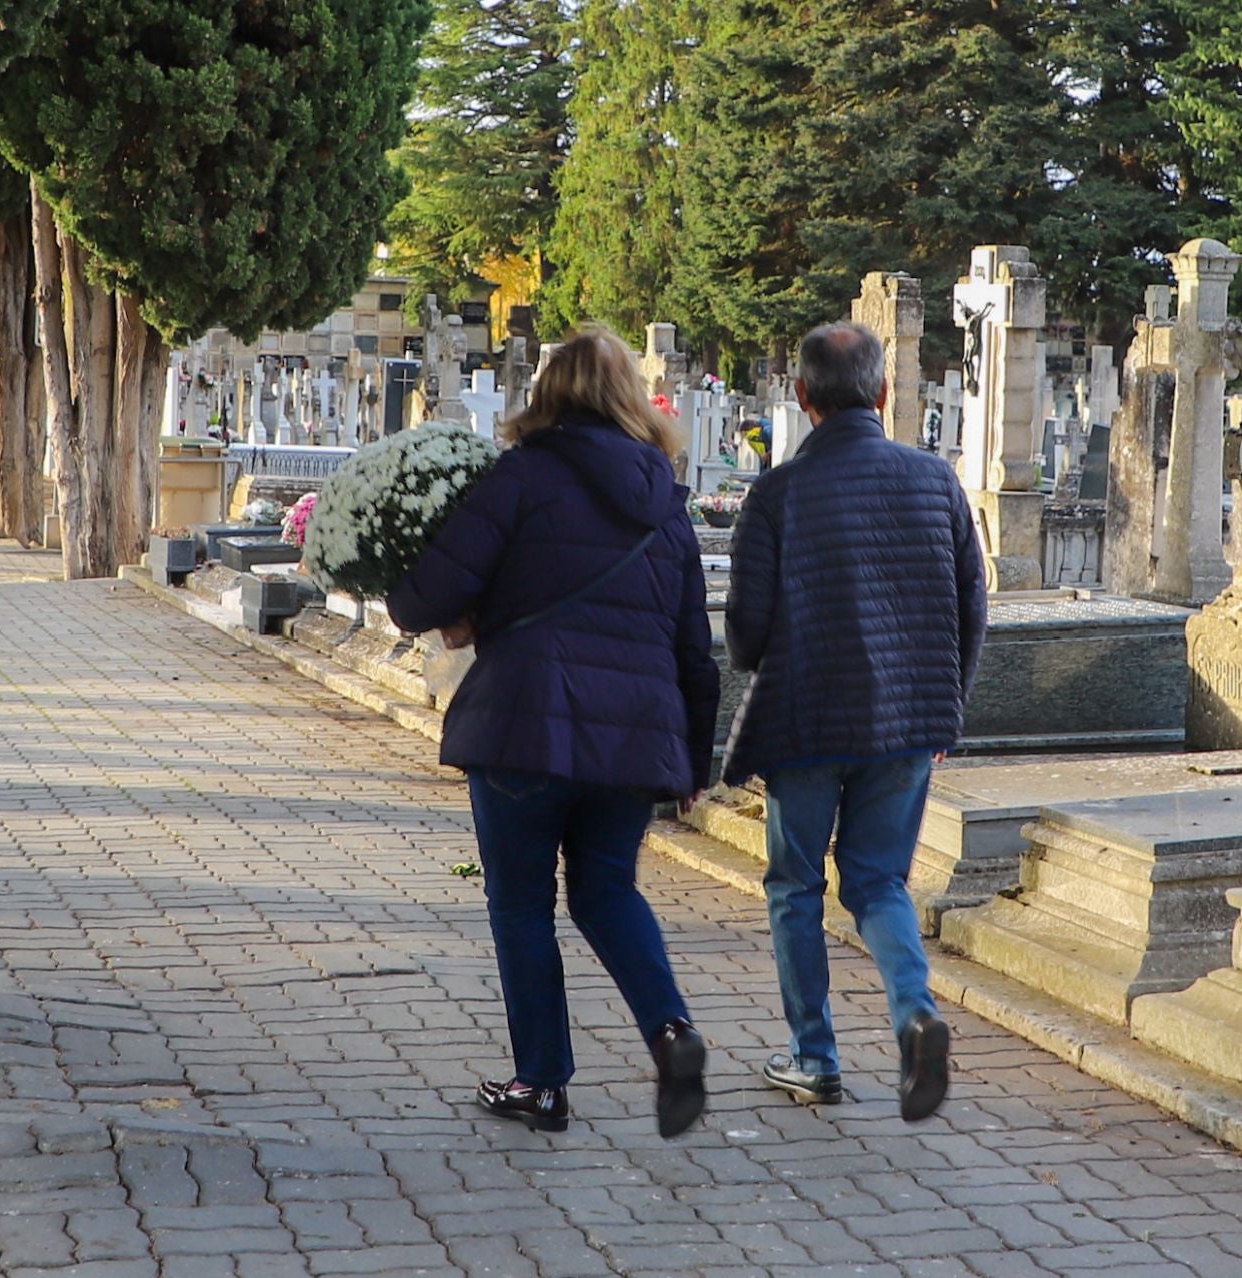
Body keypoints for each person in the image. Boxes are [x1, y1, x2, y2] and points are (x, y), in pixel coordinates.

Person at [387, 327, 720, 1139]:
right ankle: (672, 1030)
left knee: (523, 906)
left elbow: (425, 594)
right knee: (608, 890)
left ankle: (542, 1083)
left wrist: (417, 587)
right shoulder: (666, 503)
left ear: (549, 393)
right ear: (630, 397)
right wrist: (693, 763)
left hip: (524, 722)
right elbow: (693, 648)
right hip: (634, 737)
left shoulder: (521, 476)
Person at [724, 322, 987, 1123]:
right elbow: (973, 608)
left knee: (796, 884)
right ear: (881, 394)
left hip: (805, 717)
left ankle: (815, 1056)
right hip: (909, 719)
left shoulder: (774, 495)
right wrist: (948, 708)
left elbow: (744, 637)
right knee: (878, 881)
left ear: (802, 398)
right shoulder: (936, 480)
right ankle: (914, 1012)